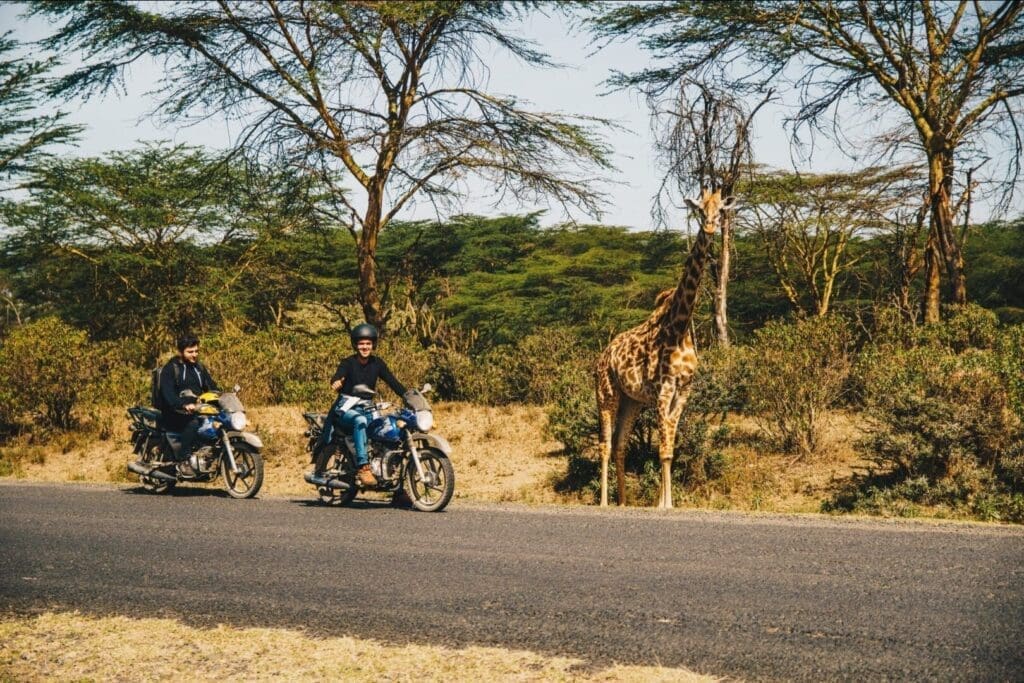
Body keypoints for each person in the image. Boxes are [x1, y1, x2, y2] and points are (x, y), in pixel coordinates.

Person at [312, 323, 407, 487]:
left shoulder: (377, 363)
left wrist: (409, 396)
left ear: (373, 344)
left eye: (368, 343)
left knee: (390, 431)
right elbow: (338, 375)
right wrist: (336, 381)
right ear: (356, 345)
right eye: (361, 343)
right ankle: (364, 467)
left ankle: (397, 486)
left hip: (368, 407)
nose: (365, 347)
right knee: (359, 421)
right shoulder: (348, 362)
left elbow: (393, 382)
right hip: (345, 408)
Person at [158, 334, 219, 469]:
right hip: (174, 412)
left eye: (196, 351)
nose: (194, 355)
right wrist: (183, 405)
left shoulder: (199, 369)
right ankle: (184, 459)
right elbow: (167, 393)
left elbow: (212, 388)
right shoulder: (170, 369)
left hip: (196, 410)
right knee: (193, 423)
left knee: (219, 423)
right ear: (181, 351)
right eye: (190, 352)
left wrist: (222, 398)